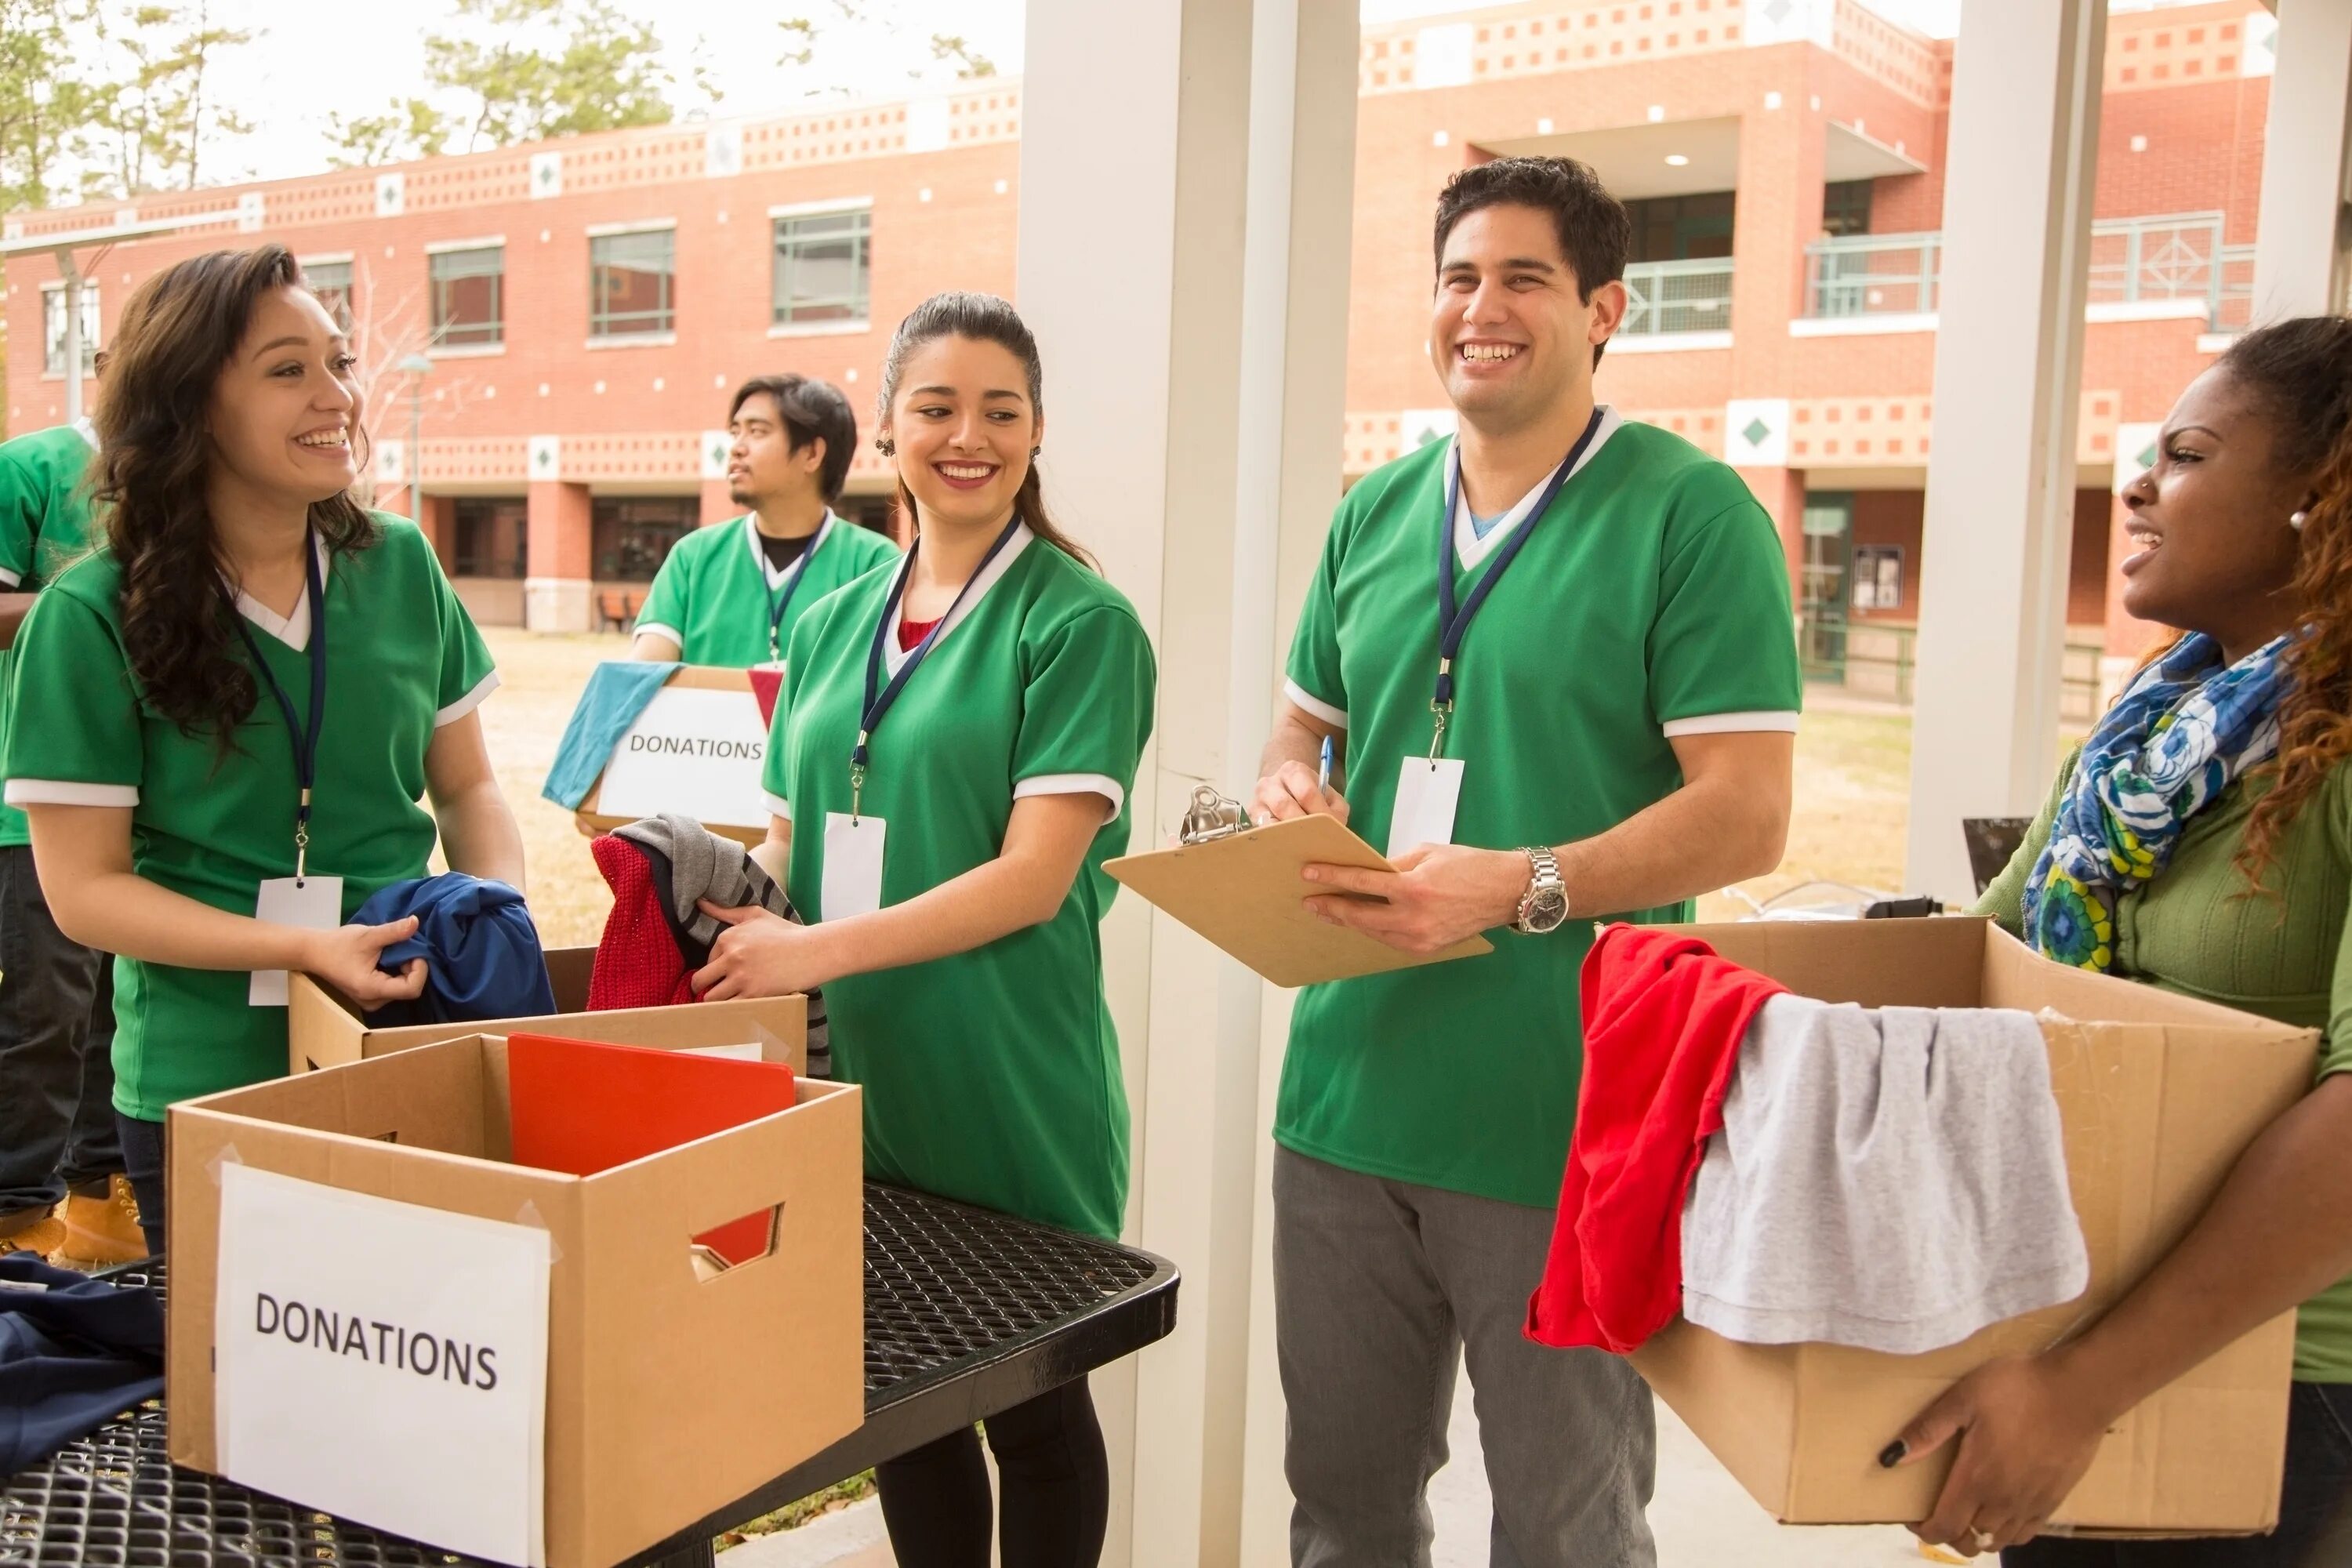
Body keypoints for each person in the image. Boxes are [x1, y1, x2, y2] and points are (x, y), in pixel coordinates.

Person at [1248, 155, 1800, 1568]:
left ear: (1604, 308)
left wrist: (1522, 883)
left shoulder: (1693, 517)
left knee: (1567, 1529)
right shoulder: (1374, 513)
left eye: (1523, 279)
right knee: (1343, 1515)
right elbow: (1295, 735)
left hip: (1563, 1116)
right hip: (1343, 1104)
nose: (1478, 309)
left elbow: (1746, 812)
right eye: (1457, 278)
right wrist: (1287, 792)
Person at [690, 291, 1156, 1568]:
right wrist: (691, 874)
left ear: (1038, 429)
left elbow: (1033, 881)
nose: (969, 436)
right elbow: (792, 836)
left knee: (1035, 1408)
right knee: (907, 1407)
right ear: (888, 425)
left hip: (1010, 1081)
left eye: (1000, 411)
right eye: (937, 407)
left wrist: (812, 955)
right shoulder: (835, 618)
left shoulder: (1079, 624)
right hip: (859, 1080)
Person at [1889, 316, 2352, 1566]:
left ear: (2323, 500)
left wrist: (2087, 1387)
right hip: (2070, 1318)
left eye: (2188, 454)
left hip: (2284, 1386)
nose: (2137, 484)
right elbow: (1982, 957)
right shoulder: (2150, 740)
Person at [2, 245, 527, 1256]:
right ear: (190, 405)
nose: (336, 396)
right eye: (288, 370)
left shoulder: (402, 564)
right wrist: (298, 947)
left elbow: (467, 789)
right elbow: (85, 893)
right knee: (244, 1390)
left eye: (338, 363)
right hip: (202, 1081)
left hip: (398, 1045)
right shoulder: (87, 611)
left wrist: (491, 903)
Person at [0, 371, 145, 1268]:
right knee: (44, 1012)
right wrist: (98, 605)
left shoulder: (183, 483)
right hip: (30, 802)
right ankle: (16, 1213)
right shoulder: (29, 469)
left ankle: (98, 1196)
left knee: (119, 1010)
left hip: (143, 805)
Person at [630, 374, 898, 667]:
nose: (736, 448)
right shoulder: (693, 557)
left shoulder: (876, 564)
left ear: (811, 453)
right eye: (735, 433)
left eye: (756, 432)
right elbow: (644, 677)